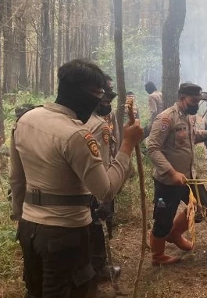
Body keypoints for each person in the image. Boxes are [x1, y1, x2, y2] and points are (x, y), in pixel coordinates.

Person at [10, 59, 143, 298]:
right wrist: (127, 146)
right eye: (99, 94)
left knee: (36, 290)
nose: (101, 101)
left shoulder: (26, 120)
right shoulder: (76, 135)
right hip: (65, 233)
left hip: (29, 228)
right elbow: (105, 190)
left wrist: (20, 216)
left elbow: (17, 179)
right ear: (85, 94)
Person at [146, 83, 207, 265]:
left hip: (188, 177)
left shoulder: (190, 117)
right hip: (167, 182)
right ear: (182, 98)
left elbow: (191, 136)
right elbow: (152, 148)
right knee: (163, 218)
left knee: (203, 205)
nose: (196, 104)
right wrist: (171, 172)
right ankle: (158, 256)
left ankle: (175, 233)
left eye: (198, 101)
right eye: (193, 101)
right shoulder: (166, 118)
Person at [85, 76, 120, 286]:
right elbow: (102, 162)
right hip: (94, 186)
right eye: (105, 101)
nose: (108, 105)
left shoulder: (81, 118)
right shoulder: (97, 125)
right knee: (95, 227)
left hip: (83, 185)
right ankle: (99, 269)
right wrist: (105, 197)